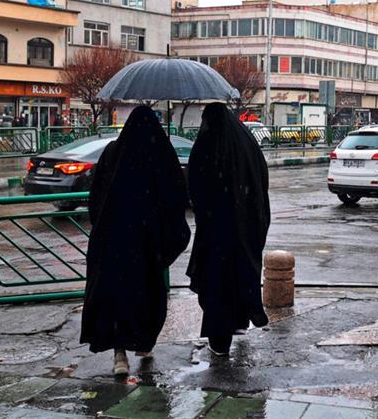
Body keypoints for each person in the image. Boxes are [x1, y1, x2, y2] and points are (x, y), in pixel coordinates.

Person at [80, 105, 191, 376]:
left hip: (114, 241)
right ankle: (144, 342)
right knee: (147, 295)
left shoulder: (113, 152)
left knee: (117, 297)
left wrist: (105, 229)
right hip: (147, 244)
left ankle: (120, 354)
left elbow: (95, 197)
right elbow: (177, 197)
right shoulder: (160, 153)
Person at [186, 103, 271, 356]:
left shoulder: (208, 145)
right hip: (245, 229)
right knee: (240, 277)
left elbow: (196, 184)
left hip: (215, 233)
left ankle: (219, 338)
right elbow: (260, 181)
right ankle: (240, 319)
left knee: (216, 285)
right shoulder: (246, 143)